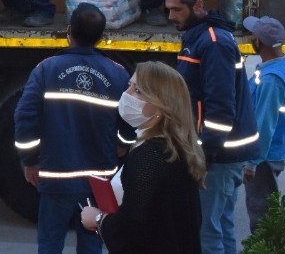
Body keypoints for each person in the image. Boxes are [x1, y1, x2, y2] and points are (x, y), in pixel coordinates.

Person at [14, 2, 133, 254]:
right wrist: (123, 143)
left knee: (50, 242)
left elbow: (25, 117)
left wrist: (30, 160)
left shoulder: (46, 69)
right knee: (92, 241)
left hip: (56, 177)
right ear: (102, 37)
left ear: (69, 31)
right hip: (99, 179)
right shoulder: (119, 74)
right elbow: (129, 118)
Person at [165, 0, 259, 254]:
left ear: (198, 5)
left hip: (219, 156)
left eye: (177, 10)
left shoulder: (214, 43)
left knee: (206, 233)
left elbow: (219, 110)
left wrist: (203, 158)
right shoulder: (200, 37)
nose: (171, 16)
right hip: (224, 154)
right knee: (222, 227)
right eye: (168, 10)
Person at [80, 61, 206, 254]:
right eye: (129, 86)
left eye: (138, 91)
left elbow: (133, 232)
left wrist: (98, 219)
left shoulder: (148, 155)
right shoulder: (175, 147)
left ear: (162, 106)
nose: (127, 94)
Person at [242, 15, 285, 233]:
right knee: (265, 205)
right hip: (276, 148)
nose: (250, 37)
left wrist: (252, 161)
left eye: (253, 35)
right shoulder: (284, 66)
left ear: (260, 42)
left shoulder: (271, 80)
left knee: (261, 210)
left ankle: (262, 245)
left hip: (265, 155)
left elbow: (264, 125)